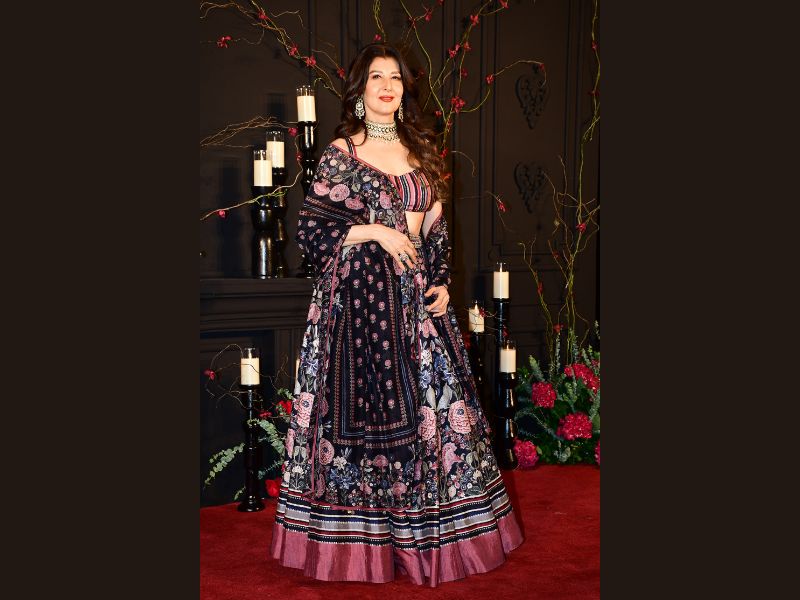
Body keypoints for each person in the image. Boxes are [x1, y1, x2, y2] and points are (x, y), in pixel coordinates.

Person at [271, 42, 524, 587]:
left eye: (395, 78)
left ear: (405, 89)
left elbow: (436, 226)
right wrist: (376, 231)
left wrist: (442, 283)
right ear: (359, 91)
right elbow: (311, 232)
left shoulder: (421, 148)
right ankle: (362, 547)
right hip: (358, 308)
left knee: (436, 415)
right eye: (376, 77)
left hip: (416, 304)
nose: (387, 86)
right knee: (364, 419)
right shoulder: (343, 152)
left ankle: (431, 540)